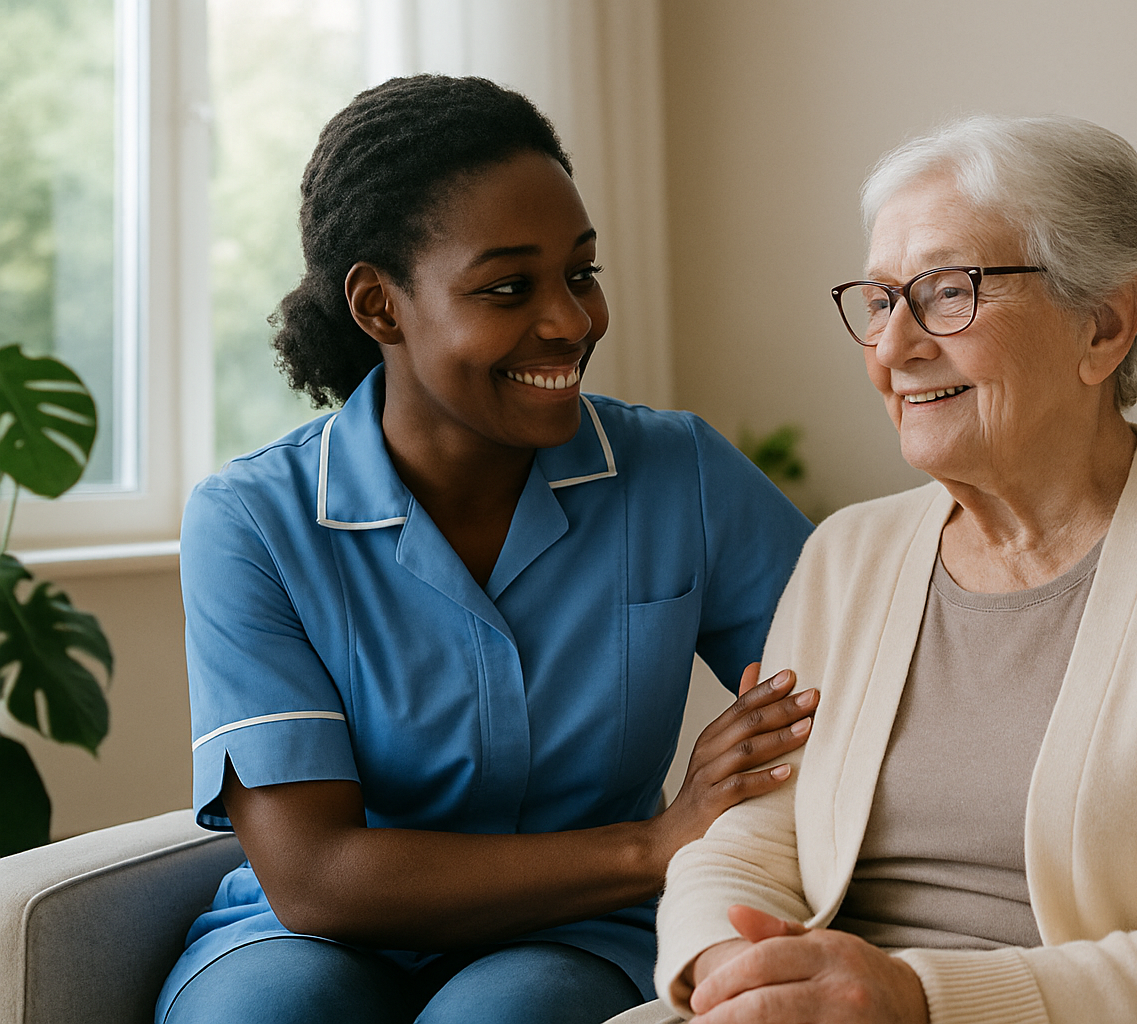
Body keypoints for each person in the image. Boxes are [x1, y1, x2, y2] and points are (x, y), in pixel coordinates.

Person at [627, 115, 1137, 1024]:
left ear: (1106, 325)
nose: (893, 348)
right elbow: (745, 847)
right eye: (881, 301)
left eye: (948, 292)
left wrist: (916, 998)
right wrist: (729, 971)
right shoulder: (848, 555)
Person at [155, 75, 816, 1024]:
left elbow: (858, 685)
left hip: (583, 932)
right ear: (380, 306)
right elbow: (318, 878)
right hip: (312, 936)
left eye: (581, 273)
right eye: (509, 287)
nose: (570, 321)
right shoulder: (252, 521)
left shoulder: (683, 474)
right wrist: (656, 842)